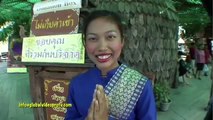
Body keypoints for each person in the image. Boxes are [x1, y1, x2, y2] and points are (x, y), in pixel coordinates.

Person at [65, 10, 157, 120]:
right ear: (85, 43)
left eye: (110, 37)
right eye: (93, 38)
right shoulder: (77, 84)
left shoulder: (141, 86)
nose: (102, 47)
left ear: (122, 41)